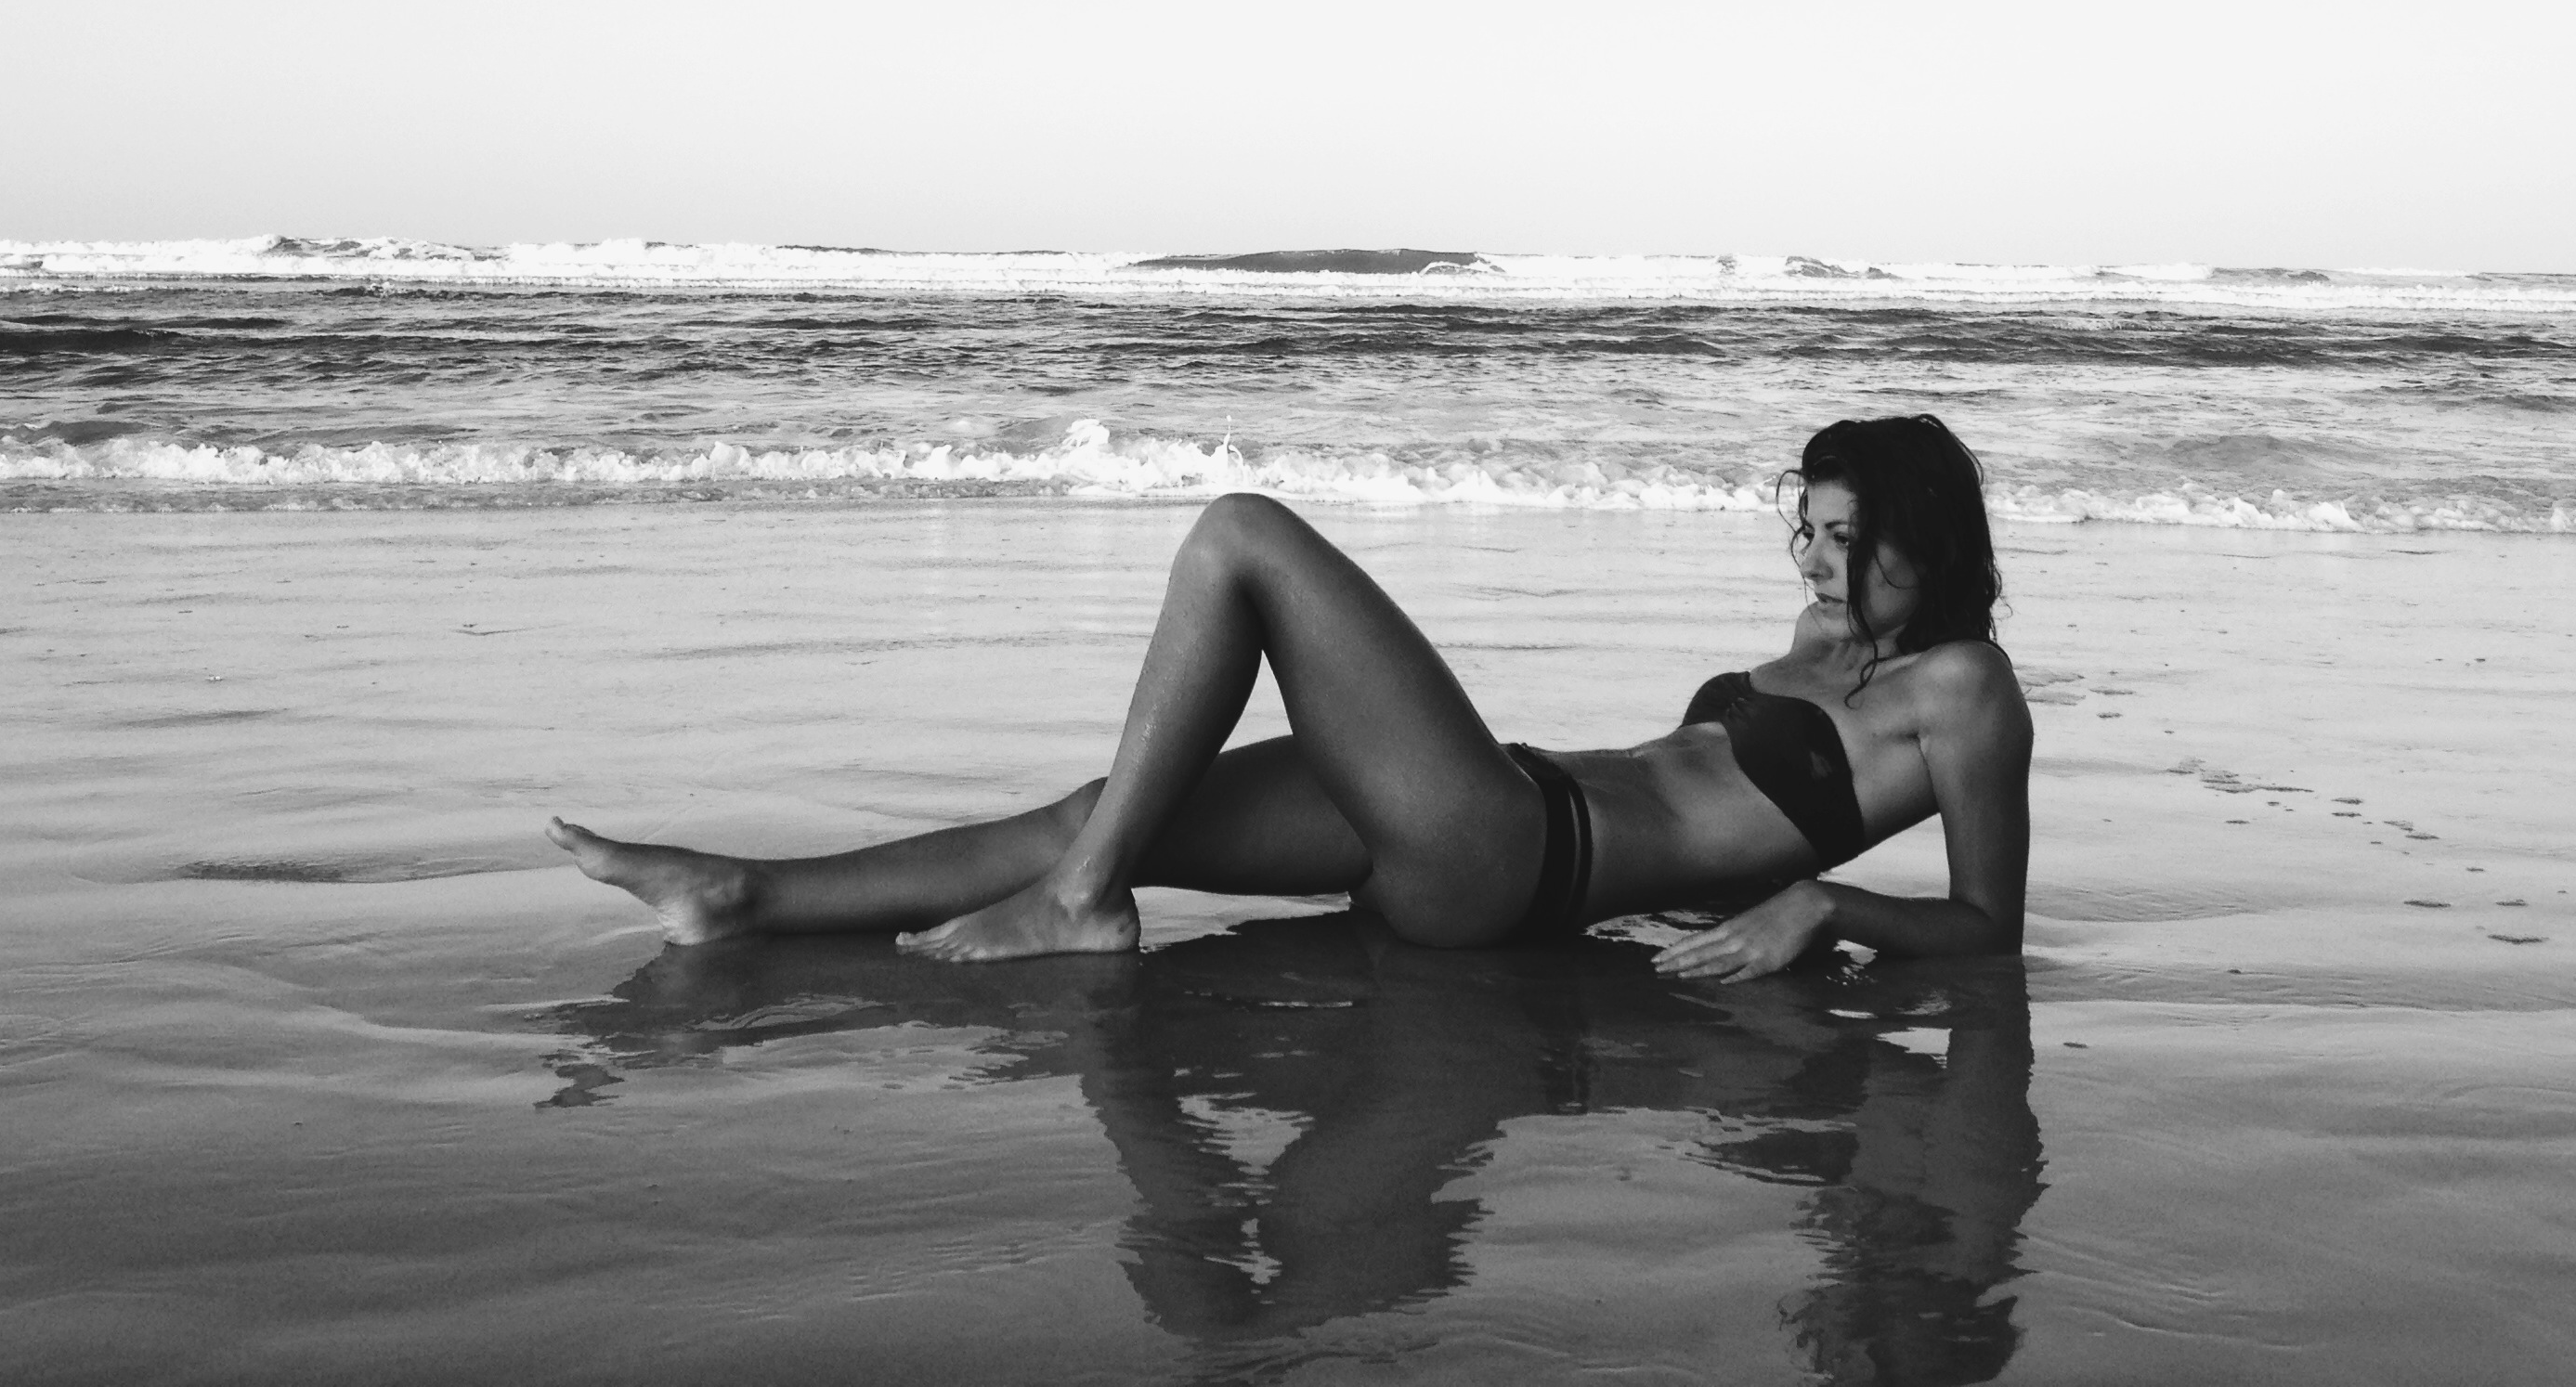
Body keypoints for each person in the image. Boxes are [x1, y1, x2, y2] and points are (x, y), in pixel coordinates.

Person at [550, 413, 2031, 980]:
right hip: (1495, 818)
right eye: (1812, 531)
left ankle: (1078, 907)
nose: (1824, 563)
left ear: (1930, 534)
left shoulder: (1968, 692)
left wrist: (1825, 909)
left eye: (1854, 538)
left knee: (1240, 537)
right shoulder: (1823, 637)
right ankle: (745, 897)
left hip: (1517, 853)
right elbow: (1712, 791)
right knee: (1107, 813)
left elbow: (1986, 933)